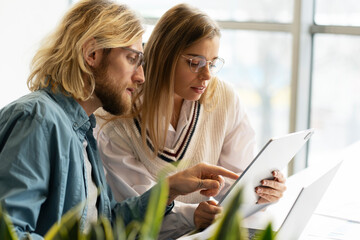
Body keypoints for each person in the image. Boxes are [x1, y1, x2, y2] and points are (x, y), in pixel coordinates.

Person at [0, 1, 240, 239]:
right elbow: (9, 232)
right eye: (132, 58)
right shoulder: (37, 119)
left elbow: (107, 224)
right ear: (92, 54)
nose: (141, 77)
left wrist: (170, 189)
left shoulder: (83, 131)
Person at [95, 3, 287, 239]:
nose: (207, 76)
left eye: (213, 63)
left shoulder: (224, 98)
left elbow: (238, 183)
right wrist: (191, 215)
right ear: (164, 57)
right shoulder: (115, 117)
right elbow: (133, 212)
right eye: (195, 63)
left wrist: (264, 191)